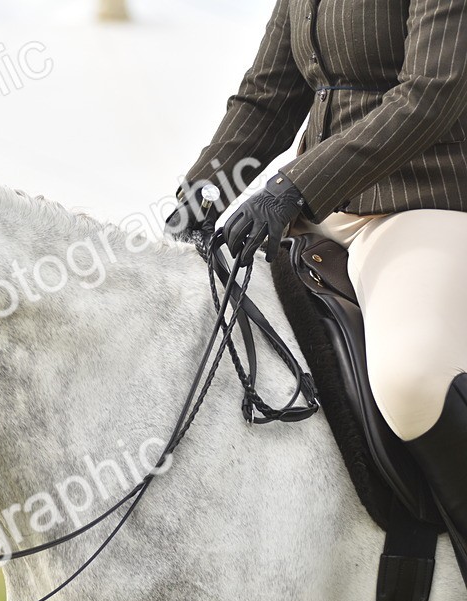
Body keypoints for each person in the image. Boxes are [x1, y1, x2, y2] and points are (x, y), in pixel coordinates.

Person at [165, 0, 467, 565]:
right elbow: (270, 95)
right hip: (316, 209)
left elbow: (433, 93)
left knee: (413, 380)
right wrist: (200, 195)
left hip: (422, 201)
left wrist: (295, 187)